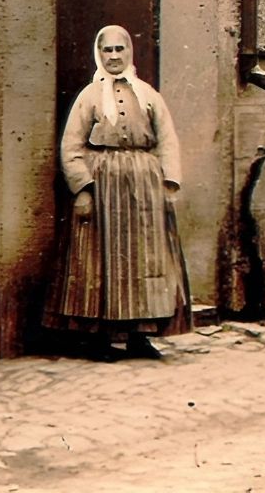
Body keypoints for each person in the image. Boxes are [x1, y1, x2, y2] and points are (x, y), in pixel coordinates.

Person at [45, 23, 190, 357]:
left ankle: (141, 336)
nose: (113, 56)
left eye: (119, 49)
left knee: (145, 259)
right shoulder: (89, 96)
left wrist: (168, 184)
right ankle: (100, 339)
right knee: (100, 259)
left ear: (129, 52)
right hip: (103, 188)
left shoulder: (148, 95)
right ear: (99, 54)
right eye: (107, 50)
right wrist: (83, 190)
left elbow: (167, 141)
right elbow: (71, 146)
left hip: (145, 190)